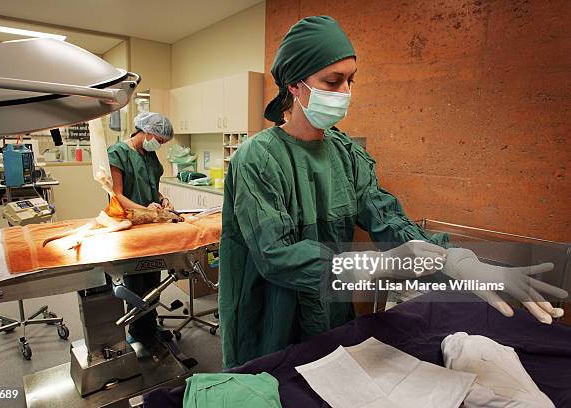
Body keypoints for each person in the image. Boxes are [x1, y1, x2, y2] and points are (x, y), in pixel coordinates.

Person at [218, 16, 568, 369]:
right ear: (294, 86)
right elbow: (276, 255)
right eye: (332, 81)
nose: (345, 93)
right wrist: (379, 264)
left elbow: (389, 221)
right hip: (268, 319)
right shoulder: (257, 159)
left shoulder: (346, 154)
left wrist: (459, 261)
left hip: (327, 313)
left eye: (350, 80)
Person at [108, 112, 174, 343]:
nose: (160, 145)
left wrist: (162, 199)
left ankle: (150, 326)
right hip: (128, 224)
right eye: (159, 139)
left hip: (150, 225)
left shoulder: (150, 155)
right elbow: (117, 196)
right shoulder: (118, 153)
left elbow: (151, 188)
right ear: (145, 131)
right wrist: (146, 211)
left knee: (153, 277)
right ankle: (138, 331)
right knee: (136, 281)